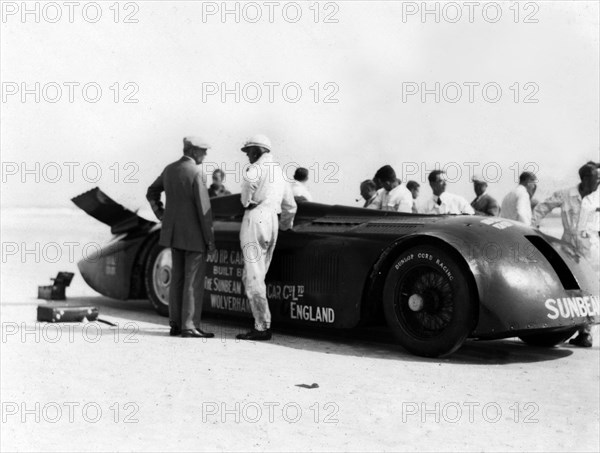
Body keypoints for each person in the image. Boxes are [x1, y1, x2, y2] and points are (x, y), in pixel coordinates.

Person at [146, 136, 216, 338]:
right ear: (193, 151)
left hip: (173, 235)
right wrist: (210, 240)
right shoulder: (196, 173)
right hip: (194, 237)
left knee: (177, 279)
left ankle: (175, 324)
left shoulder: (169, 169)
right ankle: (189, 326)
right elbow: (205, 212)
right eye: (203, 150)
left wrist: (161, 215)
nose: (205, 154)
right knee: (193, 281)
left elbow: (151, 192)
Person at [532, 161, 600, 348]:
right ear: (585, 178)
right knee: (573, 288)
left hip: (592, 247)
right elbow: (542, 207)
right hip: (569, 247)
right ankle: (576, 330)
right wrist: (532, 226)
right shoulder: (566, 194)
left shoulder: (598, 198)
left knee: (593, 289)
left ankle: (586, 332)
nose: (599, 181)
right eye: (597, 177)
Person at [236, 134, 297, 341]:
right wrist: (285, 225)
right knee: (258, 274)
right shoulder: (279, 173)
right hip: (273, 222)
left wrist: (246, 203)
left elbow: (246, 191)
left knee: (253, 275)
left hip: (256, 217)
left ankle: (261, 326)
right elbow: (291, 206)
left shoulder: (255, 169)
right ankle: (261, 322)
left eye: (248, 152)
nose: (248, 157)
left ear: (256, 150)